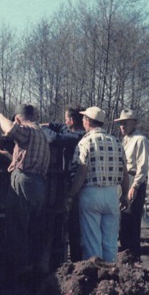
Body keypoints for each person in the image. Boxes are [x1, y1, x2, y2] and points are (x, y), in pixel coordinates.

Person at [0, 104, 51, 291]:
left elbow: (10, 129)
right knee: (33, 228)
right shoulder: (42, 135)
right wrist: (9, 155)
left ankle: (18, 275)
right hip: (38, 185)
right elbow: (28, 161)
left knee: (17, 227)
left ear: (18, 118)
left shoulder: (28, 131)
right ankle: (35, 271)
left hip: (24, 183)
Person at [67, 106, 129, 263]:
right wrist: (125, 195)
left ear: (88, 121)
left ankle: (95, 278)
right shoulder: (116, 142)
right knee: (110, 242)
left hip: (91, 194)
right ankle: (110, 278)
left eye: (84, 119)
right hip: (112, 194)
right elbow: (124, 173)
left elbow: (81, 172)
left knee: (92, 242)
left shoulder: (85, 142)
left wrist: (71, 194)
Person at [41, 106, 86, 262]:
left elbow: (55, 139)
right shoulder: (72, 130)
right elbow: (59, 126)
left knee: (74, 225)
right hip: (71, 182)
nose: (65, 122)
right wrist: (45, 124)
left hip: (77, 185)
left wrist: (42, 130)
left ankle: (76, 260)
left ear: (72, 121)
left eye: (66, 119)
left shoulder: (79, 136)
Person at [114, 109, 149, 258]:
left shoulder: (140, 140)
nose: (122, 126)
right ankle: (124, 255)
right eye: (121, 124)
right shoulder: (125, 140)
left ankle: (133, 256)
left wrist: (134, 186)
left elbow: (142, 166)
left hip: (133, 180)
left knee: (131, 220)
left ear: (133, 123)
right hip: (124, 180)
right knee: (122, 219)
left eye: (125, 123)